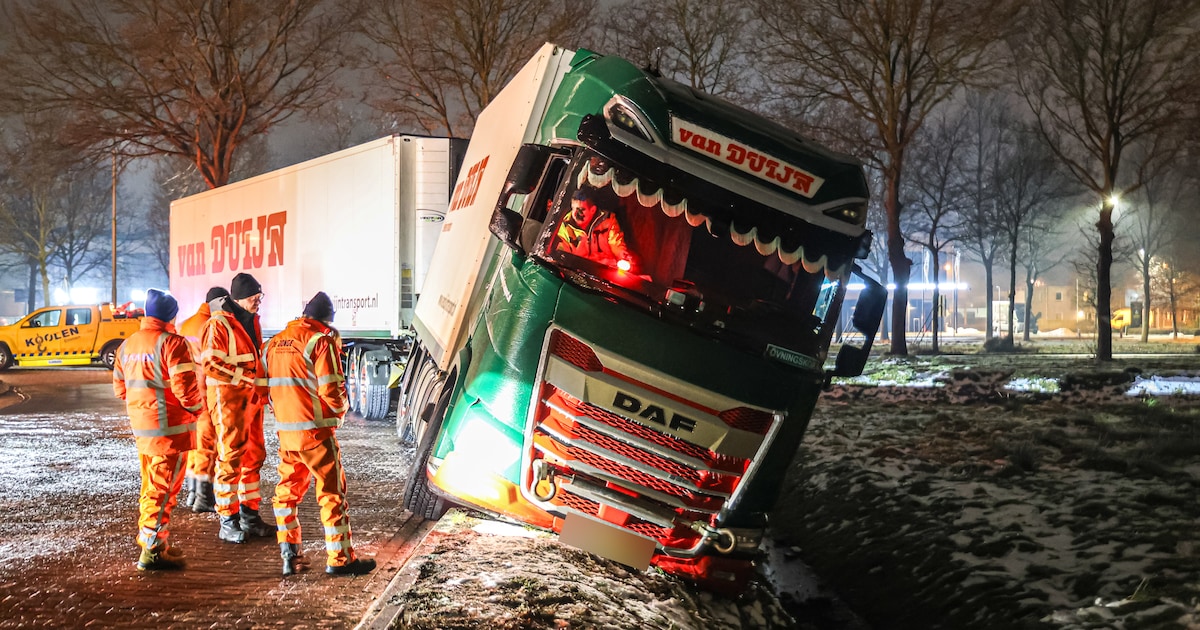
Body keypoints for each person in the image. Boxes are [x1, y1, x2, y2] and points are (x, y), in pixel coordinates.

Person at [263, 292, 376, 576]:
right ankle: (340, 558)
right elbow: (332, 390)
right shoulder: (320, 342)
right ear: (327, 321)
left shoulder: (274, 343)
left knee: (286, 495)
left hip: (287, 436)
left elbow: (264, 387)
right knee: (331, 495)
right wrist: (337, 416)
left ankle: (290, 557)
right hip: (315, 434)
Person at [113, 288, 203, 571]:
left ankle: (155, 541)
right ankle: (151, 550)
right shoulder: (173, 343)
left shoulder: (126, 345)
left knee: (151, 487)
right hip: (171, 431)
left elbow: (120, 390)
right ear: (171, 315)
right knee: (163, 490)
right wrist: (198, 410)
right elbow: (186, 390)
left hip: (144, 431)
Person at [201, 273, 272, 543]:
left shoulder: (252, 322)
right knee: (230, 458)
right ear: (240, 297)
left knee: (253, 456)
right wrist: (247, 378)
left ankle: (249, 516)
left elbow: (258, 361)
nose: (258, 302)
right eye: (255, 297)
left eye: (260, 296)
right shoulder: (218, 325)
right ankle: (227, 520)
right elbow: (210, 364)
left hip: (250, 399)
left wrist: (262, 391)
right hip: (227, 399)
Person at [176, 286, 229, 513]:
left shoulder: (184, 325)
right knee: (208, 445)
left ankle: (192, 493)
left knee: (193, 445)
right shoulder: (212, 327)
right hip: (205, 393)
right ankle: (203, 498)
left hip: (186, 394)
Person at [555, 189, 638, 270]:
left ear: (593, 210)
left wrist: (623, 255)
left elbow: (616, 243)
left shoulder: (608, 221)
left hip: (606, 271)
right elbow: (561, 254)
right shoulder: (564, 227)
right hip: (578, 271)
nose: (576, 214)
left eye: (581, 209)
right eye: (574, 208)